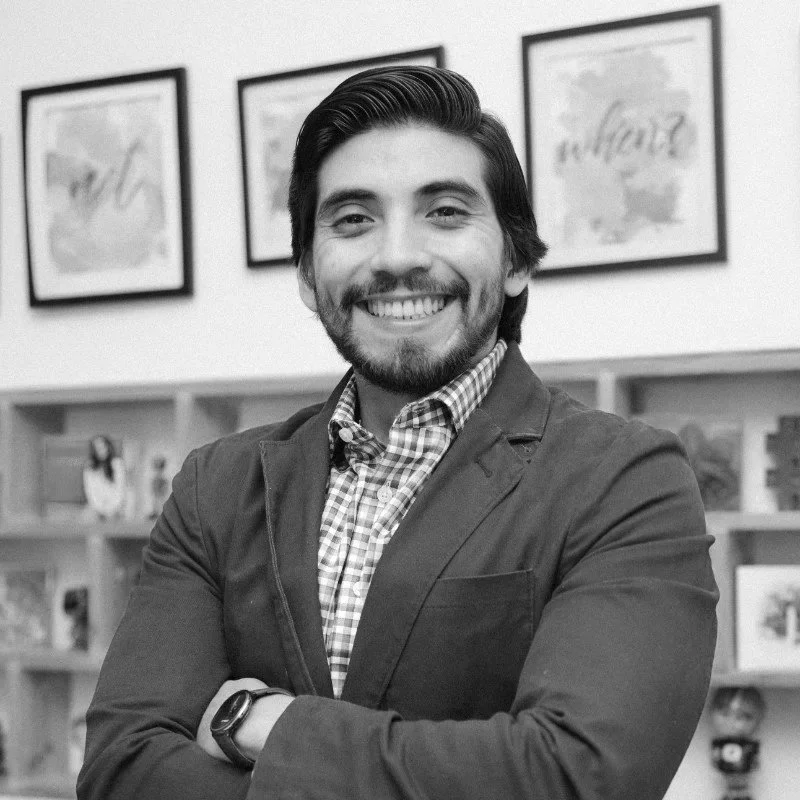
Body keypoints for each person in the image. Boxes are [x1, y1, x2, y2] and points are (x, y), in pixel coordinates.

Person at [77, 65, 718, 800]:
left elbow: (578, 777)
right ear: (306, 273)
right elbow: (121, 770)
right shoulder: (216, 487)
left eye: (444, 212)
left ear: (515, 259)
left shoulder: (626, 479)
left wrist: (258, 723)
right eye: (354, 220)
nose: (397, 257)